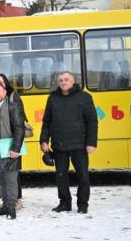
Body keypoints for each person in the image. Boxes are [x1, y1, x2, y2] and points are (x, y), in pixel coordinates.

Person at [40, 71, 98, 214]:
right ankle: (65, 203)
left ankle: (83, 204)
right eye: (60, 80)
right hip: (59, 145)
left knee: (83, 175)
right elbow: (46, 122)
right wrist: (43, 140)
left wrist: (91, 143)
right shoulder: (52, 98)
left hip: (79, 144)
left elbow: (92, 122)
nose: (63, 82)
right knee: (61, 176)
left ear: (73, 82)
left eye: (66, 79)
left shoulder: (84, 97)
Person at [0, 83, 24, 219]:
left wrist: (16, 148)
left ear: (4, 92)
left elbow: (19, 128)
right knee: (1, 178)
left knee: (10, 178)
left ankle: (11, 207)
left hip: (8, 147)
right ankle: (5, 205)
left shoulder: (13, 107)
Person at [0, 73, 26, 208]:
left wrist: (16, 147)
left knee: (12, 175)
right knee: (3, 175)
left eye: (1, 82)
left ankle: (16, 201)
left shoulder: (13, 98)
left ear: (5, 85)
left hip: (10, 142)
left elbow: (19, 125)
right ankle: (8, 201)